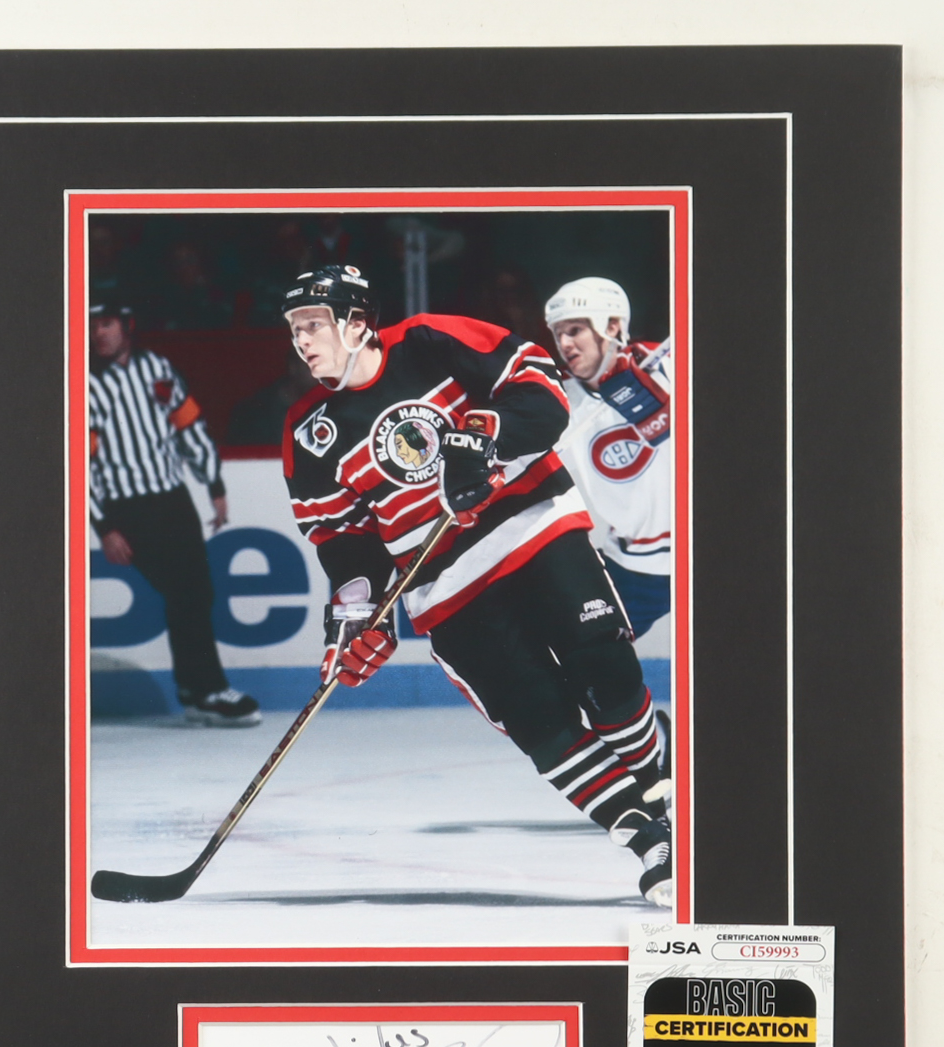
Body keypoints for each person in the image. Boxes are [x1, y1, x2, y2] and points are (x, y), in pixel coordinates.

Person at [280, 265, 672, 907]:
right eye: (295, 328)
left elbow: (540, 393)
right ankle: (650, 838)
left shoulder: (428, 340)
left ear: (356, 322)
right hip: (445, 590)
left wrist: (484, 440)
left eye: (314, 324)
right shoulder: (308, 432)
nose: (302, 340)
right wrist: (356, 616)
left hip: (535, 528)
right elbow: (347, 543)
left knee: (604, 668)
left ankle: (657, 779)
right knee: (538, 720)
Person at [88, 297, 260, 726]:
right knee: (186, 593)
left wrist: (214, 484)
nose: (98, 333)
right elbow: (80, 464)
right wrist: (104, 526)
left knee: (195, 593)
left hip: (173, 498)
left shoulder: (158, 370)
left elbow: (189, 427)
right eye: (92, 325)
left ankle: (194, 688)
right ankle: (209, 689)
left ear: (127, 325)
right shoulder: (84, 385)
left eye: (106, 323)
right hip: (129, 507)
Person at [544, 277, 671, 639]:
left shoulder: (671, 366)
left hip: (713, 553)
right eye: (558, 334)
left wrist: (668, 407)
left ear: (612, 326)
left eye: (575, 330)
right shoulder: (560, 403)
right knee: (580, 651)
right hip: (638, 569)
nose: (565, 343)